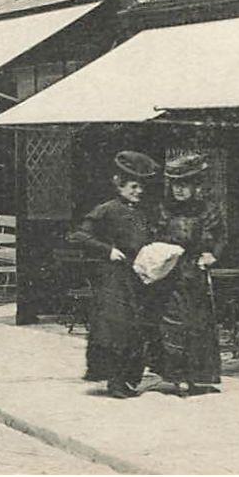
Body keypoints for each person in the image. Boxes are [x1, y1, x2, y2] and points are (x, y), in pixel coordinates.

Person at [69, 150, 160, 398]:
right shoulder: (107, 209)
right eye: (133, 186)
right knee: (117, 328)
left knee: (138, 329)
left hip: (138, 276)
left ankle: (130, 380)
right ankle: (115, 381)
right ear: (119, 185)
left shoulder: (142, 212)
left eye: (141, 187)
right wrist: (107, 250)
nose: (138, 191)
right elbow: (78, 235)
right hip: (114, 277)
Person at [154, 154, 226, 396]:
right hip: (170, 273)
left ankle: (199, 376)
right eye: (175, 185)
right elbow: (155, 236)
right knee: (173, 323)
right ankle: (177, 376)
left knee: (199, 324)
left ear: (196, 185)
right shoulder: (164, 210)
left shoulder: (208, 210)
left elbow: (219, 237)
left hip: (194, 273)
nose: (180, 190)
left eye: (185, 184)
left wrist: (213, 255)